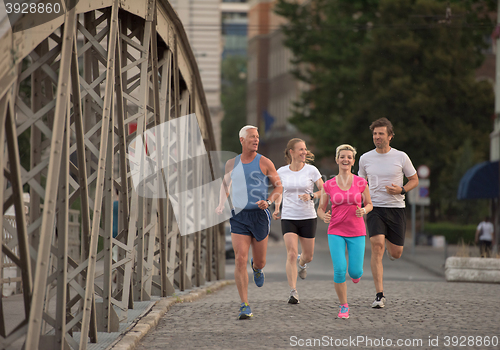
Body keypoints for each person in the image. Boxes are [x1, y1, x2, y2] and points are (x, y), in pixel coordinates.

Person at [216, 125, 282, 320]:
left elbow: (279, 186)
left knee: (260, 260)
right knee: (239, 259)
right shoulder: (231, 164)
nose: (256, 140)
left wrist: (269, 201)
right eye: (252, 137)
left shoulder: (265, 162)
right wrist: (221, 204)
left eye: (258, 137)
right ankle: (244, 304)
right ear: (242, 140)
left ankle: (257, 268)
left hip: (260, 216)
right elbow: (225, 185)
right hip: (239, 216)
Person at [358, 117, 419, 309]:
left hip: (396, 209)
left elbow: (414, 179)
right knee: (377, 246)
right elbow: (360, 184)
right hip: (375, 208)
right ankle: (379, 295)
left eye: (381, 134)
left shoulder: (401, 157)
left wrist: (401, 190)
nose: (377, 137)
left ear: (390, 136)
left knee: (396, 252)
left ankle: (390, 250)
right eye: (375, 134)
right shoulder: (365, 158)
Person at [317, 144, 373, 319]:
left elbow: (370, 204)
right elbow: (320, 208)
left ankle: (356, 275)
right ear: (337, 159)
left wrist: (364, 210)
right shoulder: (329, 184)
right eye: (342, 156)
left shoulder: (361, 182)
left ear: (353, 161)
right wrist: (323, 216)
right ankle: (343, 306)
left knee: (355, 272)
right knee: (340, 269)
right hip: (336, 230)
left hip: (357, 230)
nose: (345, 159)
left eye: (349, 157)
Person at [273, 138, 324, 304]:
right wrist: (277, 208)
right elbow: (279, 192)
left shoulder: (311, 170)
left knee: (307, 256)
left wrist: (312, 196)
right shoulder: (281, 172)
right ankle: (293, 291)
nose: (304, 152)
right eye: (301, 149)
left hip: (308, 217)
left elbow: (324, 190)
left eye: (305, 149)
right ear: (291, 152)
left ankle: (302, 264)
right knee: (291, 253)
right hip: (289, 216)